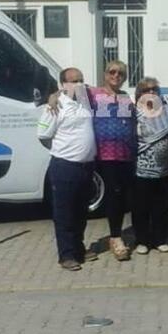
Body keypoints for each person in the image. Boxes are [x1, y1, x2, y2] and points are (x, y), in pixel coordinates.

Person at [37, 67, 97, 271]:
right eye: (73, 81)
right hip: (65, 166)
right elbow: (43, 134)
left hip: (86, 167)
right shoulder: (56, 106)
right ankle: (67, 255)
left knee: (81, 212)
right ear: (63, 84)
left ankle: (79, 248)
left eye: (81, 80)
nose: (78, 84)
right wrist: (60, 151)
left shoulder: (86, 101)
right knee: (64, 213)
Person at [132, 78, 168, 255]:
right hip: (141, 168)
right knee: (141, 206)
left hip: (165, 168)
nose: (152, 92)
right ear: (140, 93)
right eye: (147, 89)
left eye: (155, 89)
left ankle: (160, 239)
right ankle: (142, 240)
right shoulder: (133, 112)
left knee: (161, 205)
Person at [90, 60, 137, 260]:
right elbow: (66, 91)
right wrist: (53, 99)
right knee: (113, 195)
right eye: (112, 72)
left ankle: (124, 233)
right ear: (105, 74)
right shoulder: (93, 94)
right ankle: (116, 237)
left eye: (121, 74)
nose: (116, 76)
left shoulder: (127, 97)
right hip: (104, 154)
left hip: (126, 155)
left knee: (125, 196)